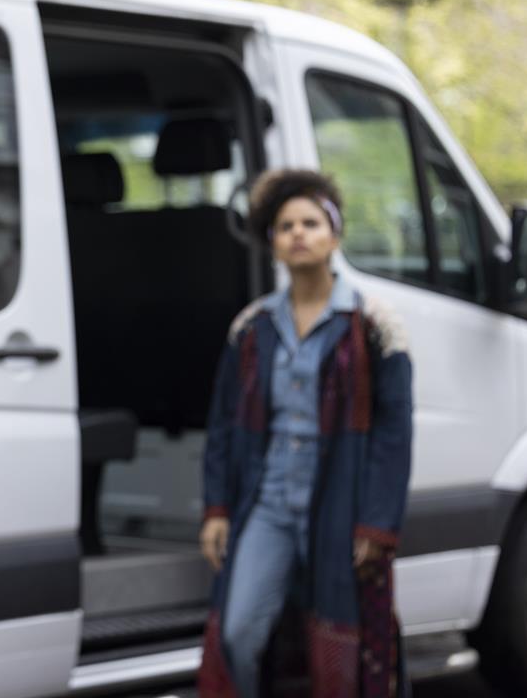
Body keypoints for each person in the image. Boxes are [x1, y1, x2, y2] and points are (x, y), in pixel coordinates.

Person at [196, 169, 413, 697]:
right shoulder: (251, 327)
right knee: (239, 629)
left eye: (311, 223)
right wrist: (218, 509)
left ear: (334, 237)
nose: (298, 233)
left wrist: (376, 524)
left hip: (339, 505)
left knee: (338, 642)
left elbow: (393, 433)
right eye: (285, 225)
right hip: (266, 505)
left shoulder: (374, 325)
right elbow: (224, 423)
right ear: (272, 242)